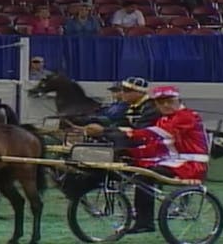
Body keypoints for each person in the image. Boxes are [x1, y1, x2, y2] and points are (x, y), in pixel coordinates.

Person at [85, 86, 209, 234]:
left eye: (170, 101)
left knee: (144, 177)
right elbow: (156, 146)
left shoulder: (187, 116)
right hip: (170, 161)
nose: (165, 105)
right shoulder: (163, 119)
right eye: (161, 103)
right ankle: (139, 215)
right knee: (131, 167)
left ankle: (145, 222)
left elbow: (158, 134)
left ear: (179, 100)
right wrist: (131, 153)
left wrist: (115, 132)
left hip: (190, 165)